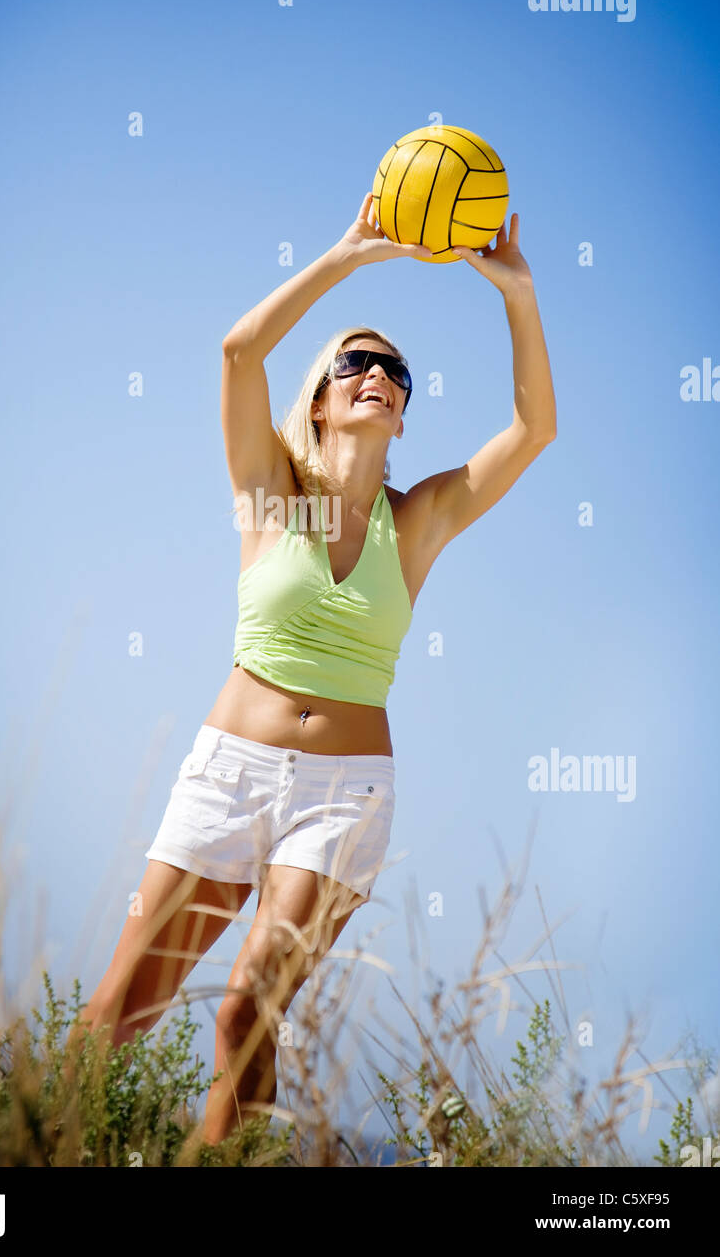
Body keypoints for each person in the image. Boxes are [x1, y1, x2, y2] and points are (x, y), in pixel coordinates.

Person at [72, 193, 556, 1147]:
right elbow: (237, 353)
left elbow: (533, 430)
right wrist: (349, 256)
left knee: (246, 1014)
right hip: (228, 775)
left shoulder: (417, 521)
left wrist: (518, 295)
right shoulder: (270, 496)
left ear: (404, 413)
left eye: (397, 370)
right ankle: (22, 1153)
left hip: (345, 798)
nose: (379, 374)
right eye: (357, 363)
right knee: (116, 1016)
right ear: (326, 399)